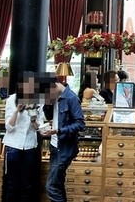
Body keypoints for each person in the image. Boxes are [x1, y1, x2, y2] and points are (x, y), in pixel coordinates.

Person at [35, 72, 85, 202]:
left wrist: (58, 131)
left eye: (46, 92)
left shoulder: (71, 98)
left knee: (51, 186)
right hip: (54, 146)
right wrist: (48, 104)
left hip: (65, 148)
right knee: (57, 184)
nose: (46, 95)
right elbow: (49, 117)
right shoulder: (54, 97)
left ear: (54, 86)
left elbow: (80, 124)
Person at [2, 71, 45, 202]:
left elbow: (39, 127)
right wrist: (17, 110)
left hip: (30, 146)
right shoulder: (11, 100)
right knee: (11, 183)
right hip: (13, 146)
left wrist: (33, 118)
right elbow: (9, 127)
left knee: (27, 183)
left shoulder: (39, 102)